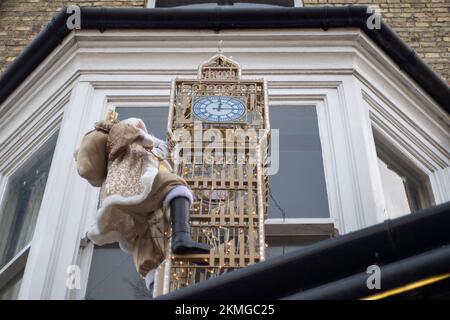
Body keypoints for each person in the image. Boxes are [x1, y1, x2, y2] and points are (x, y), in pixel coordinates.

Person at [75, 115, 210, 290]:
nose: (141, 127)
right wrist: (150, 140)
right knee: (175, 186)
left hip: (136, 202)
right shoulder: (125, 135)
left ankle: (157, 290)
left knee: (146, 243)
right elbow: (142, 138)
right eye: (139, 125)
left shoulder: (137, 154)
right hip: (137, 184)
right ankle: (182, 237)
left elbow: (165, 153)